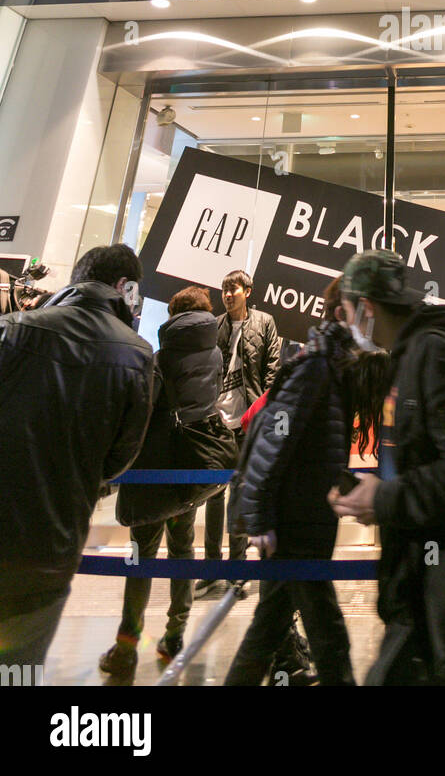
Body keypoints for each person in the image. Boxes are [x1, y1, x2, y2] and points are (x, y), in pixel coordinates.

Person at [329, 249, 445, 686]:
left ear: (366, 308)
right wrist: (377, 492)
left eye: (347, 312)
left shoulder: (434, 356)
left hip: (441, 591)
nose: (346, 325)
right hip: (415, 586)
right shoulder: (406, 358)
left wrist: (385, 496)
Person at [0, 244, 153, 668]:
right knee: (17, 669)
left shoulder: (13, 327)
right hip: (50, 545)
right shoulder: (136, 354)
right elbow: (120, 458)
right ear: (124, 287)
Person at [223, 320, 389, 686]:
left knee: (271, 625)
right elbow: (274, 444)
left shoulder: (331, 375)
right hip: (295, 524)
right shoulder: (318, 369)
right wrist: (261, 519)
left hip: (304, 520)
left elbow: (313, 450)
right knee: (323, 630)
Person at [99, 285, 223, 681]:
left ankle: (126, 649)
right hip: (190, 473)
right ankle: (174, 636)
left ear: (174, 317)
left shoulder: (160, 361)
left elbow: (141, 418)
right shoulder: (214, 355)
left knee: (141, 560)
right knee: (183, 552)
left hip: (154, 477)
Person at [196, 270, 280, 598]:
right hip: (218, 424)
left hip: (247, 422)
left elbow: (272, 371)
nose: (228, 295)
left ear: (247, 291)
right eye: (224, 290)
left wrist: (262, 416)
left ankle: (237, 569)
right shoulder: (214, 326)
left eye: (233, 289)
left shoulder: (264, 323)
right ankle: (212, 568)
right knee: (214, 495)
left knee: (240, 496)